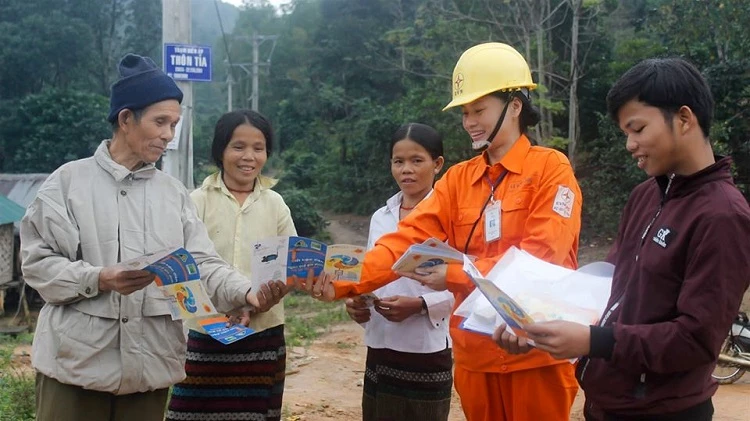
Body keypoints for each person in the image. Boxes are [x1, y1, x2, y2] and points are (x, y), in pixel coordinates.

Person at [306, 42, 583, 421]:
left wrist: (454, 273)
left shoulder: (551, 170)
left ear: (515, 105)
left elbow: (539, 259)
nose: (470, 121)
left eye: (479, 110)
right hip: (475, 355)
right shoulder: (457, 180)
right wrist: (341, 279)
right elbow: (404, 242)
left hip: (535, 354)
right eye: (465, 112)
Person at [20, 54, 288, 421]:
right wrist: (98, 278)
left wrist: (246, 292)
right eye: (160, 122)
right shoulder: (68, 184)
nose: (168, 134)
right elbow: (38, 264)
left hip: (150, 369)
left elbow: (202, 263)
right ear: (126, 119)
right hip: (77, 366)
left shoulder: (172, 194)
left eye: (174, 124)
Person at [495, 58, 750, 420]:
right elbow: (608, 289)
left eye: (638, 128)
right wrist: (535, 321)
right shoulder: (646, 196)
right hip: (609, 403)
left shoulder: (724, 216)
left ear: (684, 119)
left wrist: (592, 341)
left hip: (664, 411)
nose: (630, 144)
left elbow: (695, 340)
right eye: (625, 133)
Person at [166, 110, 296, 421]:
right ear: (220, 150)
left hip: (262, 333)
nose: (249, 156)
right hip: (204, 333)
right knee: (192, 414)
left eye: (259, 147)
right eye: (238, 146)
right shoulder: (195, 202)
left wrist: (263, 300)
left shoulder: (275, 204)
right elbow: (183, 267)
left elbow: (291, 265)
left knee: (253, 414)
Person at [345, 123, 454, 421]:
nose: (407, 169)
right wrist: (357, 300)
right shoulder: (381, 217)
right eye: (398, 161)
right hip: (380, 342)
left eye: (417, 160)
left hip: (425, 348)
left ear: (438, 164)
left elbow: (466, 282)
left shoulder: (450, 218)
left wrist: (420, 305)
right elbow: (371, 271)